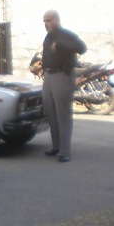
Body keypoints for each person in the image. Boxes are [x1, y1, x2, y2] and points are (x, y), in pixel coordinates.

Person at [40, 10, 86, 163]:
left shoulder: (67, 35)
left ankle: (65, 151)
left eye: (48, 21)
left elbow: (82, 48)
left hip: (62, 75)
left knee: (63, 114)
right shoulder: (48, 36)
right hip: (48, 76)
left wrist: (61, 46)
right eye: (44, 21)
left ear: (56, 20)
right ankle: (56, 146)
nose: (46, 24)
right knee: (50, 112)